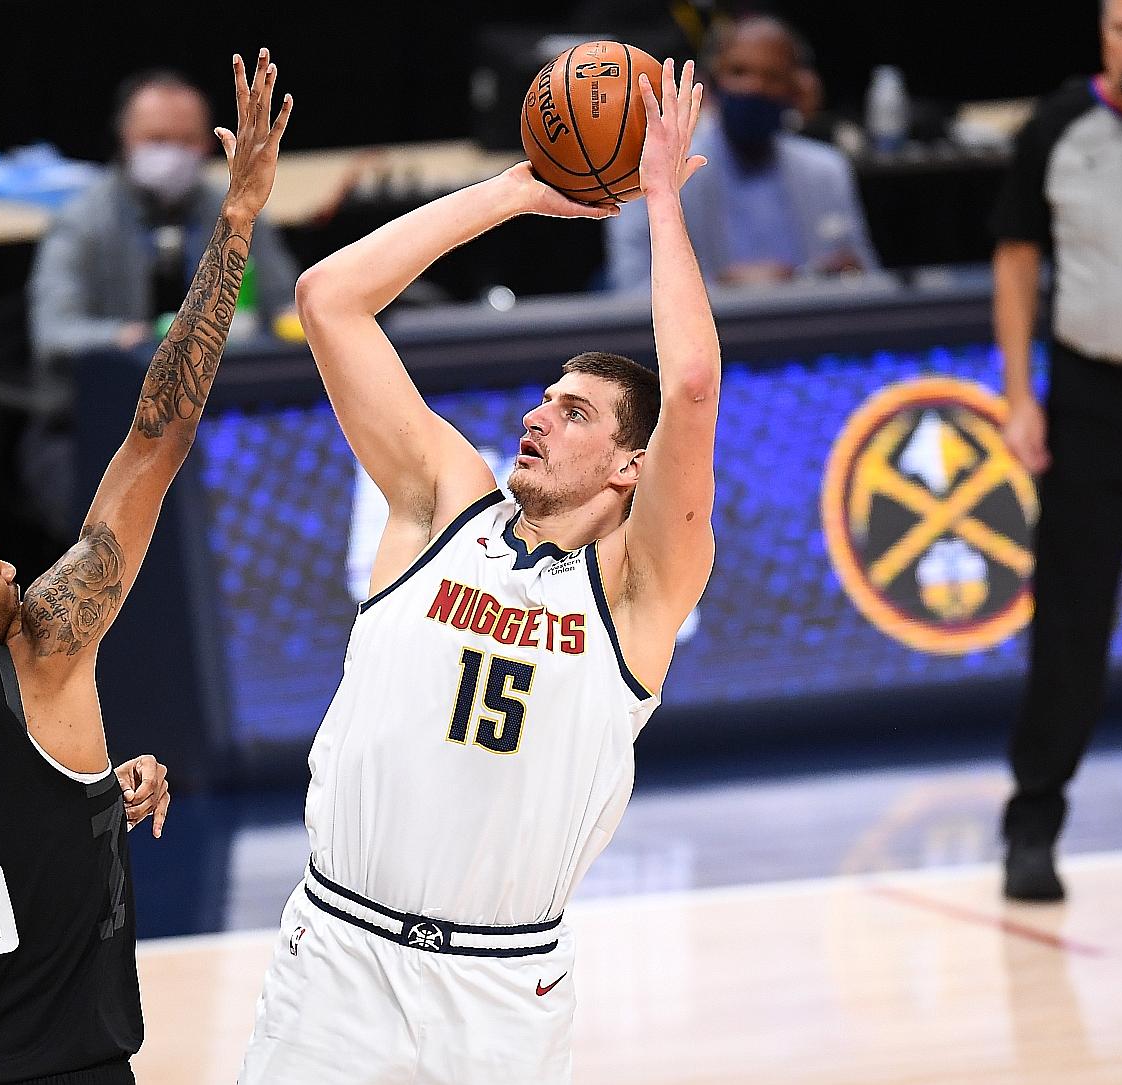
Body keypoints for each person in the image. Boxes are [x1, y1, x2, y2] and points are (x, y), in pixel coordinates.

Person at [237, 61, 716, 1084]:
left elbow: (689, 382)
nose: (539, 414)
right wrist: (517, 191)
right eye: (546, 398)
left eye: (575, 410)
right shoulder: (440, 508)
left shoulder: (640, 594)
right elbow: (331, 300)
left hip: (503, 996)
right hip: (338, 967)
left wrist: (664, 202)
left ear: (632, 465)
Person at [0, 50, 292, 1084]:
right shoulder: (41, 646)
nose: (8, 565)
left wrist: (79, 802)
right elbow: (156, 438)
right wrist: (241, 215)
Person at [991, 0, 1122, 903]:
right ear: (1102, 35)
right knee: (1074, 618)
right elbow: (1016, 261)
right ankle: (1033, 823)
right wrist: (1019, 396)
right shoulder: (1059, 126)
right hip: (1092, 392)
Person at [22, 66, 302, 537]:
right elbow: (54, 331)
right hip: (97, 426)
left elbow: (287, 305)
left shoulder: (237, 211)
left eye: (185, 140)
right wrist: (128, 339)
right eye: (156, 139)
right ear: (124, 137)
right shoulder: (82, 222)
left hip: (219, 420)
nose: (170, 153)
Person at [604, 13, 878, 291]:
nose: (754, 87)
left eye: (772, 76)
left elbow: (867, 280)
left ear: (796, 89)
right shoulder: (655, 173)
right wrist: (727, 289)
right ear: (710, 82)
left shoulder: (826, 170)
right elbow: (631, 291)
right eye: (739, 72)